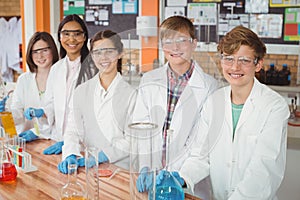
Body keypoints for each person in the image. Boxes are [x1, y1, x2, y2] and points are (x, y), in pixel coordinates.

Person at [160, 25, 290, 200]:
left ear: (258, 64)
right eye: (228, 59)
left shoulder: (274, 106)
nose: (235, 67)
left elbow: (263, 170)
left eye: (244, 60)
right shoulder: (214, 102)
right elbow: (201, 156)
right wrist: (182, 180)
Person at [133, 15, 218, 199]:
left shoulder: (209, 86)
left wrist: (180, 177)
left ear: (194, 44)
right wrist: (146, 165)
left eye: (182, 40)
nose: (175, 48)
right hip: (152, 179)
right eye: (168, 41)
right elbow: (142, 127)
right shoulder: (149, 80)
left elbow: (202, 144)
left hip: (187, 185)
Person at [57, 30, 136, 174]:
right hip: (87, 168)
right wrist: (70, 154)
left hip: (119, 170)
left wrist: (102, 156)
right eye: (98, 52)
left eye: (109, 51)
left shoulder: (132, 95)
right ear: (92, 56)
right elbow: (72, 129)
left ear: (120, 53)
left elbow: (132, 140)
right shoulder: (81, 91)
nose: (103, 57)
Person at [24, 14, 97, 154]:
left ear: (84, 37)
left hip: (83, 146)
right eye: (66, 34)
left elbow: (93, 114)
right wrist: (42, 112)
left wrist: (71, 142)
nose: (71, 39)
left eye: (77, 34)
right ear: (59, 37)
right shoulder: (56, 68)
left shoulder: (93, 69)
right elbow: (51, 103)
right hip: (57, 140)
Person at [9, 32, 59, 142]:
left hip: (53, 141)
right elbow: (17, 113)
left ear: (53, 50)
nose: (40, 56)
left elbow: (61, 116)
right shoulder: (24, 79)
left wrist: (37, 132)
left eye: (44, 50)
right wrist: (5, 115)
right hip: (27, 142)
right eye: (35, 52)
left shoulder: (61, 78)